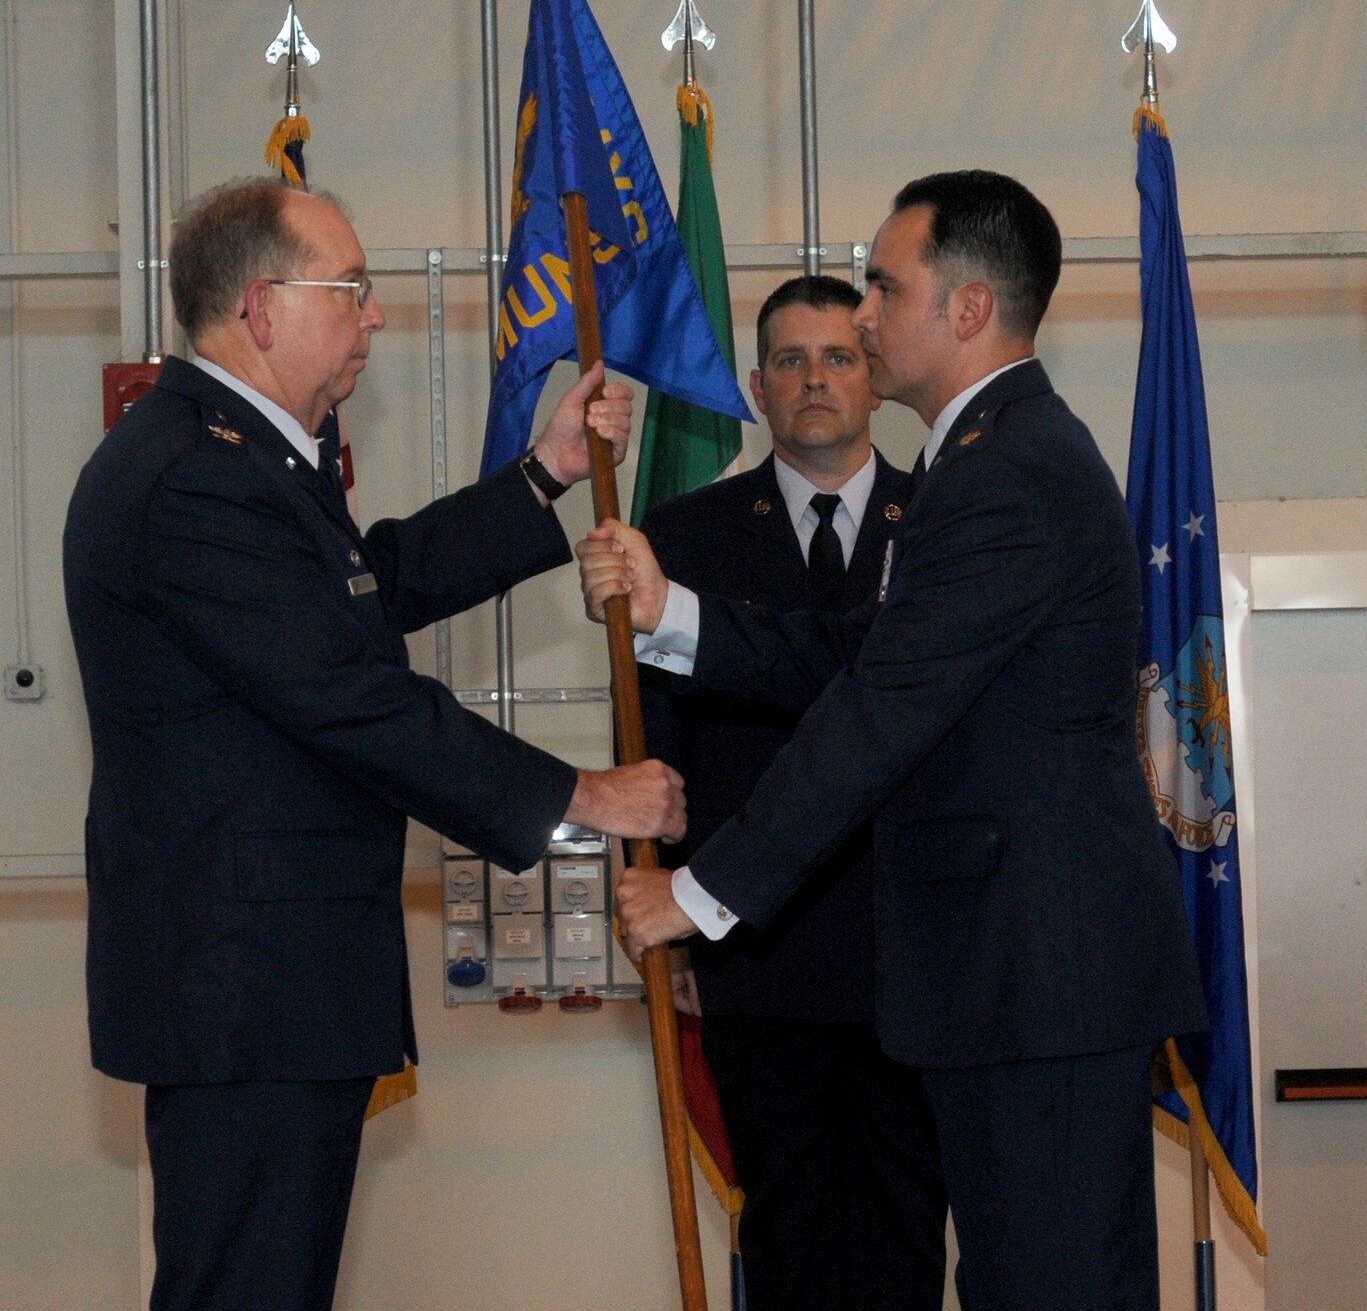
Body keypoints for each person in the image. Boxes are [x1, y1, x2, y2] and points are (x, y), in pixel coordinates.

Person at [581, 170, 1205, 1310]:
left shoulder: (1003, 473)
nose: (862, 315)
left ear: (967, 308)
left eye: (882, 286)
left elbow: (878, 713)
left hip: (1037, 986)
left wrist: (702, 894)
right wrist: (674, 611)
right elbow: (864, 657)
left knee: (1050, 1288)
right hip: (1016, 987)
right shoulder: (990, 459)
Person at [62, 178, 684, 1311]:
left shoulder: (242, 453)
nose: (375, 315)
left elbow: (364, 591)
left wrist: (541, 474)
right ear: (261, 308)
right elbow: (349, 696)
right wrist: (584, 796)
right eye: (349, 289)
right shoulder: (196, 475)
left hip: (272, 982)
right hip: (247, 989)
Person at [637, 274, 944, 1310]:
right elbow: (656, 749)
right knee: (784, 1228)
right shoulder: (683, 538)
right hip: (754, 946)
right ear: (755, 385)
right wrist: (675, 921)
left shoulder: (939, 523)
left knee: (907, 1223)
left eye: (839, 357)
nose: (815, 379)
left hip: (912, 947)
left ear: (875, 378)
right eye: (790, 360)